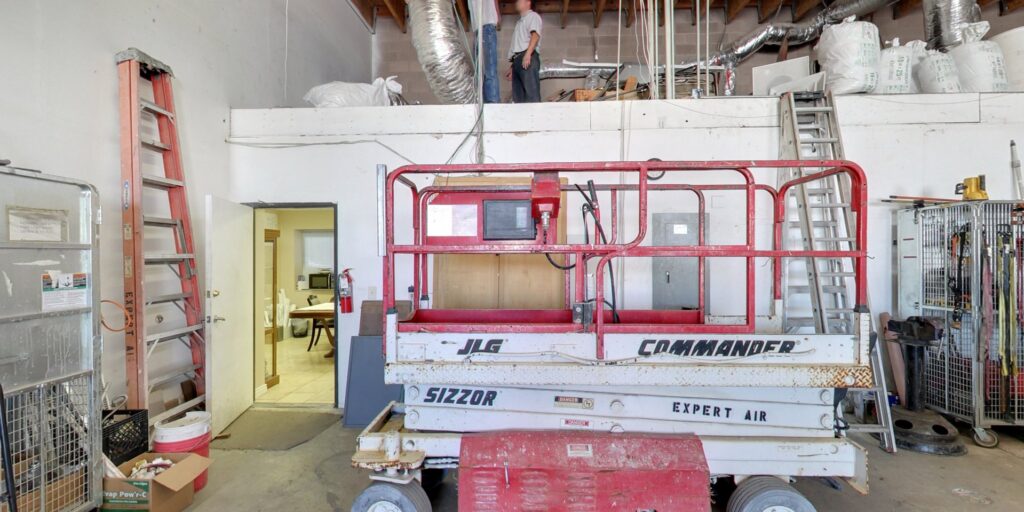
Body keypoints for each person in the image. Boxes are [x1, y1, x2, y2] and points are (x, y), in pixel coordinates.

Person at [505, 0, 542, 103]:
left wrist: (528, 54)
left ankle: (535, 118)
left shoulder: (533, 16)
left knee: (531, 96)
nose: (517, 2)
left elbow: (535, 36)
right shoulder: (520, 22)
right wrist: (513, 66)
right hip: (518, 60)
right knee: (518, 99)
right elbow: (518, 46)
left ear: (528, 2)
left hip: (527, 57)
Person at [468, 0, 500, 103]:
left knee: (489, 72)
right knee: (480, 73)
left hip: (487, 26)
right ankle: (485, 104)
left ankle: (493, 105)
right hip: (478, 30)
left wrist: (497, 14)